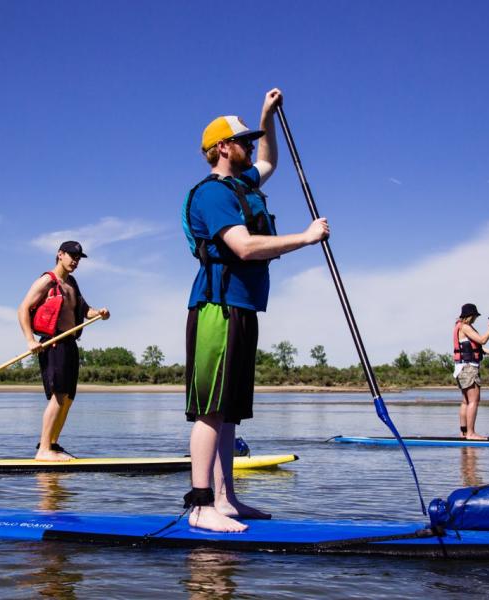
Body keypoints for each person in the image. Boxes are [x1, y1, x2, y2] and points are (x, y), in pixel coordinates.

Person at [181, 88, 330, 532]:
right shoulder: (212, 195)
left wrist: (266, 113)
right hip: (216, 309)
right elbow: (243, 247)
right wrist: (305, 238)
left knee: (229, 410)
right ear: (222, 148)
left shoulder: (242, 184)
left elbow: (271, 161)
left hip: (243, 309)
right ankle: (201, 504)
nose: (249, 146)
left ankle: (226, 500)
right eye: (243, 140)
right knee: (210, 408)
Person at [18, 240, 110, 461]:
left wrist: (99, 313)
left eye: (78, 258)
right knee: (58, 396)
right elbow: (23, 308)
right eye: (72, 256)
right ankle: (43, 451)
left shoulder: (72, 283)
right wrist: (30, 340)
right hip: (52, 343)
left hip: (69, 344)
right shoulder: (47, 281)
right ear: (60, 255)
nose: (75, 261)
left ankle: (51, 444)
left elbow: (85, 310)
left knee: (67, 398)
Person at [452, 303, 489, 440]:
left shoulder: (462, 327)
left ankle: (464, 433)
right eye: (475, 315)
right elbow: (482, 340)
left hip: (462, 368)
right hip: (469, 368)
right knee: (473, 401)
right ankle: (470, 433)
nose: (476, 318)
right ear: (470, 315)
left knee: (466, 401)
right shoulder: (465, 327)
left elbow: (479, 349)